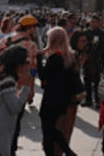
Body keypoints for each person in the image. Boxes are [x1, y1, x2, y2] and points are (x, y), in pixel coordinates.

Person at [0, 15, 38, 156]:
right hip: (18, 87)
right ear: (30, 28)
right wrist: (30, 89)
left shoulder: (5, 39)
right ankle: (10, 150)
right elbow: (31, 69)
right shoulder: (30, 45)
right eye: (35, 27)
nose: (36, 30)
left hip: (1, 84)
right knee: (15, 122)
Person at [37, 26, 78, 156]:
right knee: (52, 128)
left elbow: (44, 75)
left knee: (47, 129)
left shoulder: (55, 57)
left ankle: (59, 151)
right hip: (63, 98)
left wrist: (38, 60)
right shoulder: (70, 56)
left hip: (51, 97)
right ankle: (67, 150)